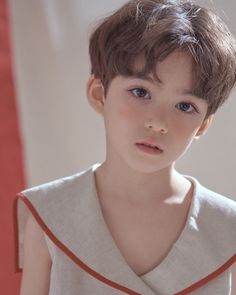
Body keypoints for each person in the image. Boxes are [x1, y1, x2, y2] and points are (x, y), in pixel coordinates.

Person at [15, 0, 236, 294]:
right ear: (99, 94)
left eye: (185, 106)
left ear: (204, 125)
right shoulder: (46, 212)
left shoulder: (227, 227)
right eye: (140, 92)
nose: (159, 122)